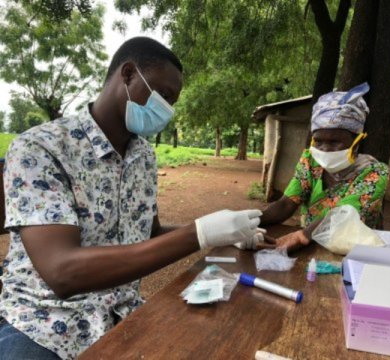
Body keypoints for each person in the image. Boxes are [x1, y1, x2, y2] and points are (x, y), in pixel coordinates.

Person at [0, 37, 264, 360]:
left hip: (121, 314)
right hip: (43, 323)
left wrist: (224, 234)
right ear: (127, 74)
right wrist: (200, 231)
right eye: (163, 95)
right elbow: (61, 271)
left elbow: (149, 235)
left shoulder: (144, 157)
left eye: (172, 101)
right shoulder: (43, 148)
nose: (167, 110)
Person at [260, 83, 389, 251]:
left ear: (357, 142)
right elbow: (287, 204)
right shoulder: (310, 162)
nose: (325, 149)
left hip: (351, 252)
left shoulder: (374, 173)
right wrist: (250, 220)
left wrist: (302, 236)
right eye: (318, 141)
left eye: (335, 142)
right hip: (309, 245)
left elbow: (344, 216)